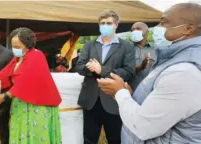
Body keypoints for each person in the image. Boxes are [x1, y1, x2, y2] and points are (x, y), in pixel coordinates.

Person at [97, 3, 201, 143]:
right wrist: (131, 95)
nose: (158, 27)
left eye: (164, 22)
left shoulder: (185, 72)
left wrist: (120, 93)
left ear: (188, 29)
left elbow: (143, 126)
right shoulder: (177, 57)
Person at [0, 27, 62, 144]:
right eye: (13, 46)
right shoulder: (18, 58)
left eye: (18, 47)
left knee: (35, 137)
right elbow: (3, 75)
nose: (14, 49)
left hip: (36, 106)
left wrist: (3, 96)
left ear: (28, 45)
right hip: (20, 104)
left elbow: (26, 81)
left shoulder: (37, 56)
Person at [75, 10, 135, 144]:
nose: (105, 26)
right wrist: (90, 69)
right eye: (102, 23)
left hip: (113, 100)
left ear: (116, 25)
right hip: (91, 100)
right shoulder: (89, 45)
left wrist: (102, 70)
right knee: (89, 139)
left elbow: (129, 72)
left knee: (115, 139)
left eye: (109, 23)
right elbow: (79, 66)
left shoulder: (126, 47)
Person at [129, 22, 156, 91]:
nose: (135, 31)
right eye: (133, 30)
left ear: (147, 32)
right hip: (130, 90)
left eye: (138, 29)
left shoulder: (156, 49)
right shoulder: (126, 48)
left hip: (151, 91)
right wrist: (141, 66)